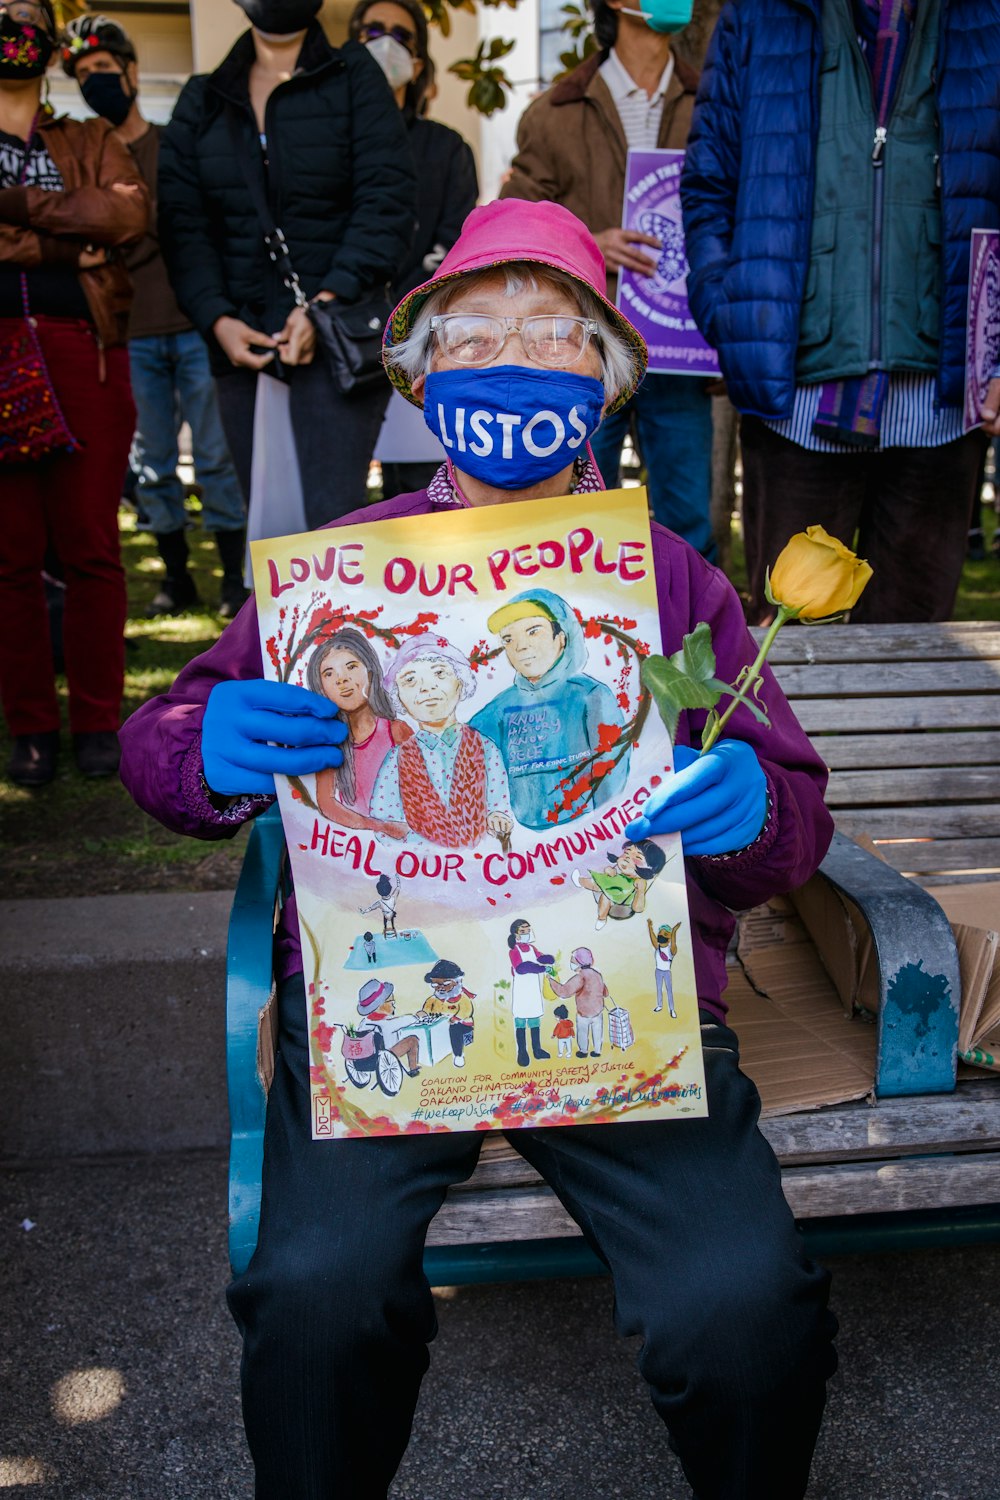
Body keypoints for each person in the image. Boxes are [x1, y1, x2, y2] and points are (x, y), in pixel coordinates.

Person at [120, 198, 838, 1500]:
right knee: (316, 1299)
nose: (514, 353)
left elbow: (789, 814)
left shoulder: (675, 580)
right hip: (384, 1020)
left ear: (609, 385)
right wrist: (203, 748)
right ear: (423, 375)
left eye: (554, 332)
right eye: (477, 330)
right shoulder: (337, 574)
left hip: (622, 1012)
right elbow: (160, 739)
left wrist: (753, 811)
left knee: (745, 1307)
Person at [681, 0, 1000, 624]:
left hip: (941, 404)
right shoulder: (759, 15)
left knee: (914, 658)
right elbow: (709, 181)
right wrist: (731, 311)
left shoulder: (984, 17)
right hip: (794, 399)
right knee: (788, 655)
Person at [156, 0, 416, 531]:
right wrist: (218, 320)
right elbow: (184, 227)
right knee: (268, 532)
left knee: (332, 527)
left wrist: (328, 301)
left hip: (336, 341)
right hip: (241, 344)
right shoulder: (203, 99)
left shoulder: (354, 76)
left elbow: (386, 200)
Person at [501, 0, 715, 557]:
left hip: (680, 347)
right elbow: (513, 227)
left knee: (690, 519)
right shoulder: (556, 110)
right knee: (578, 516)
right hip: (582, 350)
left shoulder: (713, 99)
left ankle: (691, 638)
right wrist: (589, 245)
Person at [0, 0, 149, 786]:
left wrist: (17, 210)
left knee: (92, 549)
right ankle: (29, 728)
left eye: (27, 11)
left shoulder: (87, 136)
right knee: (9, 557)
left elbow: (126, 214)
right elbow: (92, 224)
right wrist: (67, 239)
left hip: (84, 354)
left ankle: (97, 721)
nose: (14, 22)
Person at [60, 15, 249, 620]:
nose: (97, 83)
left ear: (132, 72)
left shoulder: (175, 143)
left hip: (193, 326)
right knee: (153, 461)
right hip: (126, 331)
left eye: (105, 72)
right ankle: (176, 578)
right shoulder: (84, 157)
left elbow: (187, 227)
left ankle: (230, 578)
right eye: (83, 76)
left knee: (217, 457)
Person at [348, 0, 479, 500]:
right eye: (373, 30)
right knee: (332, 502)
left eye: (401, 36)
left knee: (421, 499)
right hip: (328, 350)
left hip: (416, 345)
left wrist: (399, 321)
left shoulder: (446, 151)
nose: (385, 42)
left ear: (420, 63)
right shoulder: (319, 148)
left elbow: (453, 251)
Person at [469, 587, 628, 829]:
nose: (520, 647)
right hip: (520, 842)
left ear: (561, 638)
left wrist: (606, 834)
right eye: (508, 639)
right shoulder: (499, 708)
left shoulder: (591, 695)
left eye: (533, 632)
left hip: (584, 832)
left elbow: (611, 776)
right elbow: (465, 756)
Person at [369, 632, 513, 849]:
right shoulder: (396, 760)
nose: (426, 688)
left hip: (480, 860)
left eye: (439, 673)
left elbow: (498, 803)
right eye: (410, 680)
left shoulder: (486, 748)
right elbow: (384, 822)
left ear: (461, 682)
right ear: (398, 697)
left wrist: (498, 818)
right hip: (420, 866)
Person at [305, 626, 412, 839]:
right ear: (321, 687)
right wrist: (380, 827)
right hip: (355, 850)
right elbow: (327, 804)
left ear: (370, 673)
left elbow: (423, 790)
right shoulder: (329, 743)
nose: (341, 680)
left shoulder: (396, 731)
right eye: (329, 673)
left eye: (351, 667)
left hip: (407, 846)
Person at [507, 917, 556, 1066]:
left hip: (533, 989)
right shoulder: (514, 951)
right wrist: (541, 968)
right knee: (521, 1020)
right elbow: (521, 967)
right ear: (516, 934)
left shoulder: (532, 948)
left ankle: (537, 1049)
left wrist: (549, 959)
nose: (527, 933)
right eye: (523, 931)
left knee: (535, 1019)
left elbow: (540, 957)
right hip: (522, 990)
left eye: (528, 930)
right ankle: (522, 1052)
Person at [549, 946, 610, 1057]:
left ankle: (583, 1051)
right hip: (598, 1011)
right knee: (597, 1032)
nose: (571, 963)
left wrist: (551, 981)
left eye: (572, 961)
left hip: (584, 1013)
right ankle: (597, 1051)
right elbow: (605, 992)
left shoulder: (580, 977)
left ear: (579, 962)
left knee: (582, 1032)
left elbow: (565, 991)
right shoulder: (597, 974)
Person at [416, 958, 475, 1069]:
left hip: (460, 1025)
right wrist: (422, 1014)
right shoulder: (433, 1000)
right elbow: (426, 1010)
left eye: (446, 984)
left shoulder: (461, 998)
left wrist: (456, 1018)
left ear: (457, 982)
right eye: (436, 985)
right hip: (439, 1027)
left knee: (455, 1029)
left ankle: (458, 1055)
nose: (441, 988)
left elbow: (466, 1010)